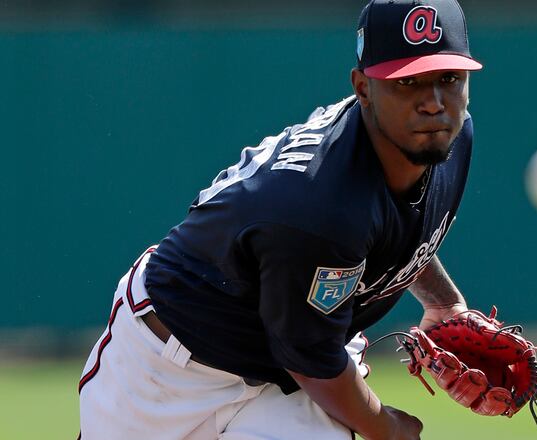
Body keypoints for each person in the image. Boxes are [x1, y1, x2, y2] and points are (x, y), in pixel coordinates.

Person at [78, 0, 483, 438]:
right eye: (407, 82)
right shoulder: (319, 205)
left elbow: (398, 228)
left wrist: (444, 302)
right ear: (363, 88)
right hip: (171, 364)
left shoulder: (448, 142)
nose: (434, 103)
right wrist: (386, 428)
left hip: (292, 373)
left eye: (449, 78)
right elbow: (313, 360)